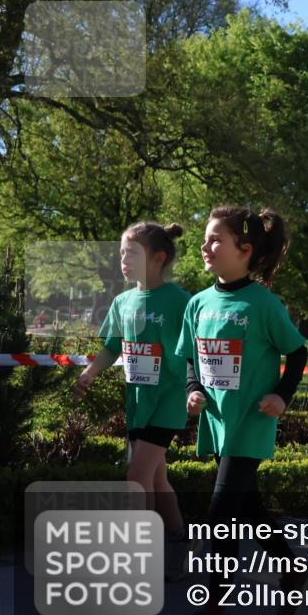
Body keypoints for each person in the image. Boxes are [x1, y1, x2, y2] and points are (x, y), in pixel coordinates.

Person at [165, 206, 308, 615]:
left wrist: (281, 395)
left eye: (215, 241)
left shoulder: (263, 302)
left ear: (245, 250)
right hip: (217, 424)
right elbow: (190, 354)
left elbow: (297, 352)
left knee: (220, 518)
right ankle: (292, 565)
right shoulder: (198, 303)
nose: (205, 248)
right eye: (206, 240)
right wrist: (192, 387)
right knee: (248, 510)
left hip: (250, 424)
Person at [74, 222, 193, 583]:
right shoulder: (122, 302)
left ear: (159, 258)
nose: (124, 260)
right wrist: (89, 374)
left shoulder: (181, 301)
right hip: (138, 404)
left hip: (168, 403)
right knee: (157, 480)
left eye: (132, 253)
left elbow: (194, 352)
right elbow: (112, 346)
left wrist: (193, 388)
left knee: (136, 476)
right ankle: (179, 541)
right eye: (122, 253)